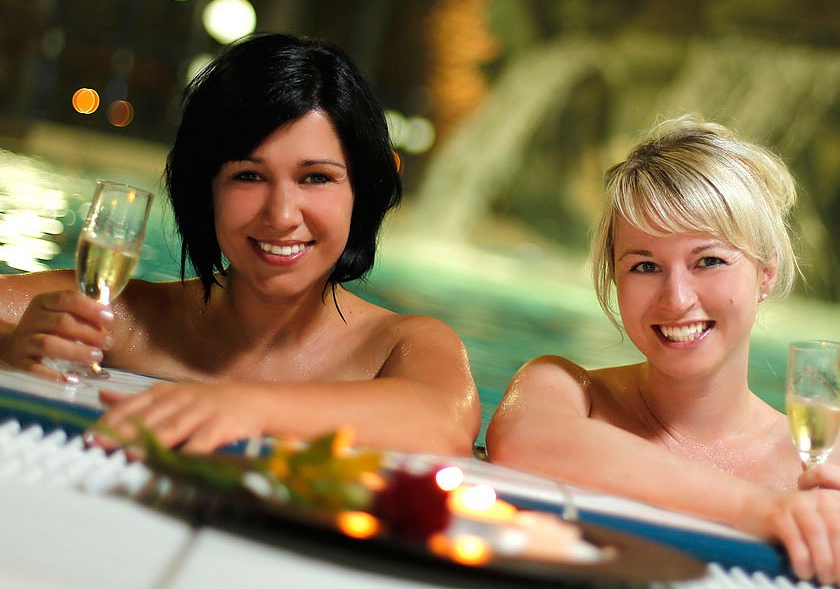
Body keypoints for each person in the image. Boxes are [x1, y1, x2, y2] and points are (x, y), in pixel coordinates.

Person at [486, 117, 840, 588]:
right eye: (645, 266)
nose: (676, 299)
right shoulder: (566, 389)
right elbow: (525, 441)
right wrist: (767, 511)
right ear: (614, 278)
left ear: (766, 272)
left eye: (708, 260)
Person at [0, 33, 480, 455]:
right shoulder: (121, 320)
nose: (282, 215)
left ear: (362, 191)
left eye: (316, 177)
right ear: (206, 190)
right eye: (249, 176)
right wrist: (12, 344)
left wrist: (249, 405)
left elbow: (443, 421)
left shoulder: (397, 346)